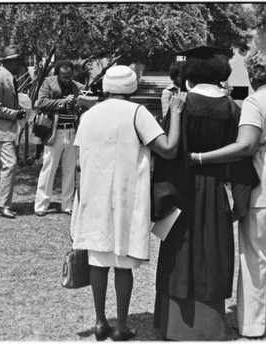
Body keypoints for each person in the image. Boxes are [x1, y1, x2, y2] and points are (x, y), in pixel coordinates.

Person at [188, 51, 266, 338]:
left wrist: (200, 157)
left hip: (263, 180)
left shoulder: (256, 101)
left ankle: (252, 324)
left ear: (253, 75)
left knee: (254, 255)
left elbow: (245, 145)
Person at [70, 65, 186, 341]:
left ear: (106, 86)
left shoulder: (88, 114)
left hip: (93, 193)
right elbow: (168, 149)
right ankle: (121, 326)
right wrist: (176, 114)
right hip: (127, 195)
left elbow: (77, 162)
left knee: (97, 260)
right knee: (123, 263)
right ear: (132, 88)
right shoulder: (137, 113)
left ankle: (100, 322)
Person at [153, 56, 255, 341]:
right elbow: (242, 158)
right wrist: (239, 198)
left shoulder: (183, 106)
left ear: (189, 78)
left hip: (182, 189)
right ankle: (209, 327)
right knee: (212, 251)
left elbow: (167, 153)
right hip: (215, 190)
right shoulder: (233, 109)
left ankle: (176, 326)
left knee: (180, 251)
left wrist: (160, 198)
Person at [33, 60, 84, 216]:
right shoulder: (48, 83)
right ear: (57, 74)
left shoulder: (78, 87)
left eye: (69, 76)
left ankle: (67, 205)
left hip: (72, 132)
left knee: (69, 171)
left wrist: (79, 103)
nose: (67, 79)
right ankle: (41, 206)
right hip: (54, 132)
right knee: (48, 169)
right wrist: (63, 102)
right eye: (63, 76)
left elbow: (82, 108)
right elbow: (41, 102)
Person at [0, 46, 27, 219]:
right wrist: (15, 114)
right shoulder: (0, 78)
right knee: (10, 164)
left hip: (4, 129)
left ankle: (0, 204)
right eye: (17, 61)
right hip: (0, 130)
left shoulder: (8, 77)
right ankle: (4, 205)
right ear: (9, 62)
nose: (20, 64)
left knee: (2, 166)